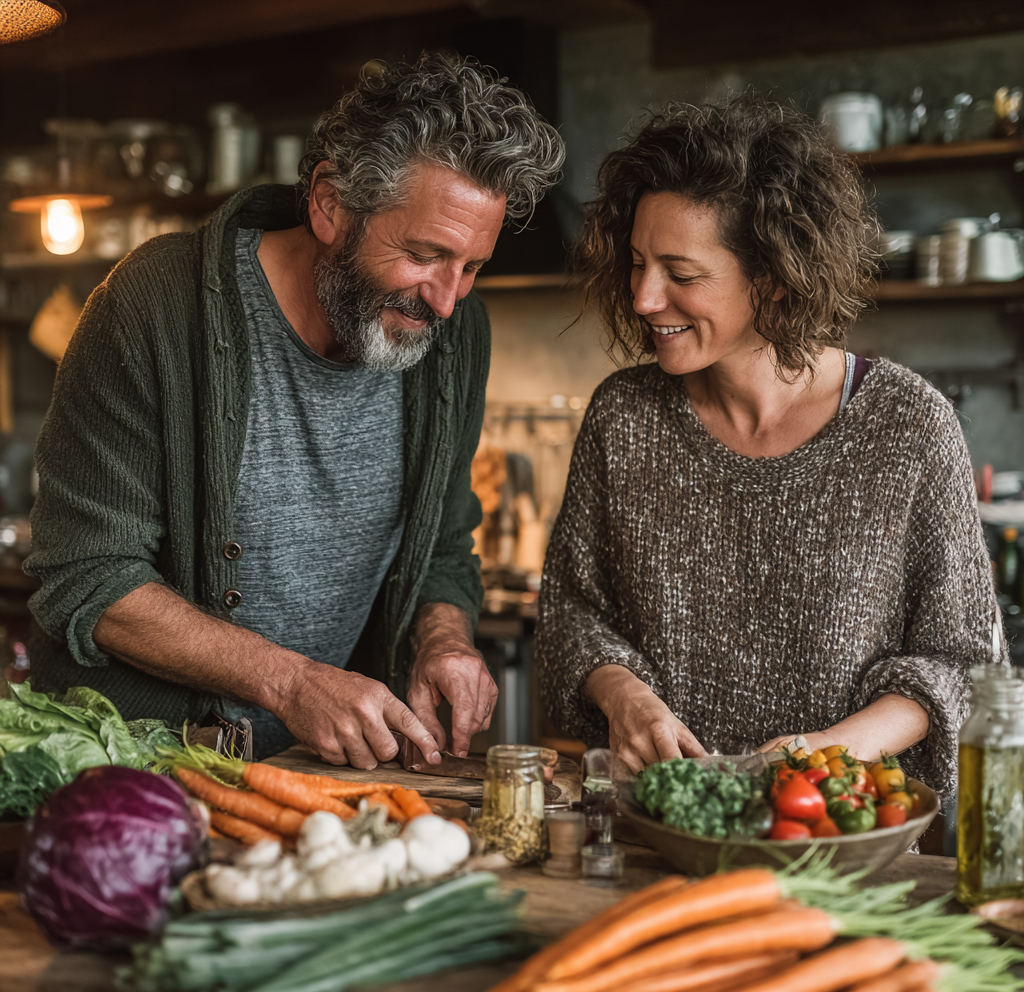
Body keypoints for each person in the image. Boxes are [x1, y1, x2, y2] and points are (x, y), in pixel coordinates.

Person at [26, 53, 565, 766]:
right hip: (141, 769)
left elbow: (441, 542)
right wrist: (291, 683)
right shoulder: (154, 305)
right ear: (330, 203)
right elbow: (89, 574)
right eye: (425, 254)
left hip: (324, 783)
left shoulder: (457, 338)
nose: (445, 299)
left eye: (471, 267)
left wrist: (444, 638)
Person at [537, 99, 998, 794]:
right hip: (657, 830)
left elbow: (959, 662)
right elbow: (571, 613)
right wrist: (621, 695)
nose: (643, 297)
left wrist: (829, 753)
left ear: (775, 278)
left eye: (680, 274)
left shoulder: (909, 427)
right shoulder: (624, 418)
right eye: (636, 264)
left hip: (845, 838)